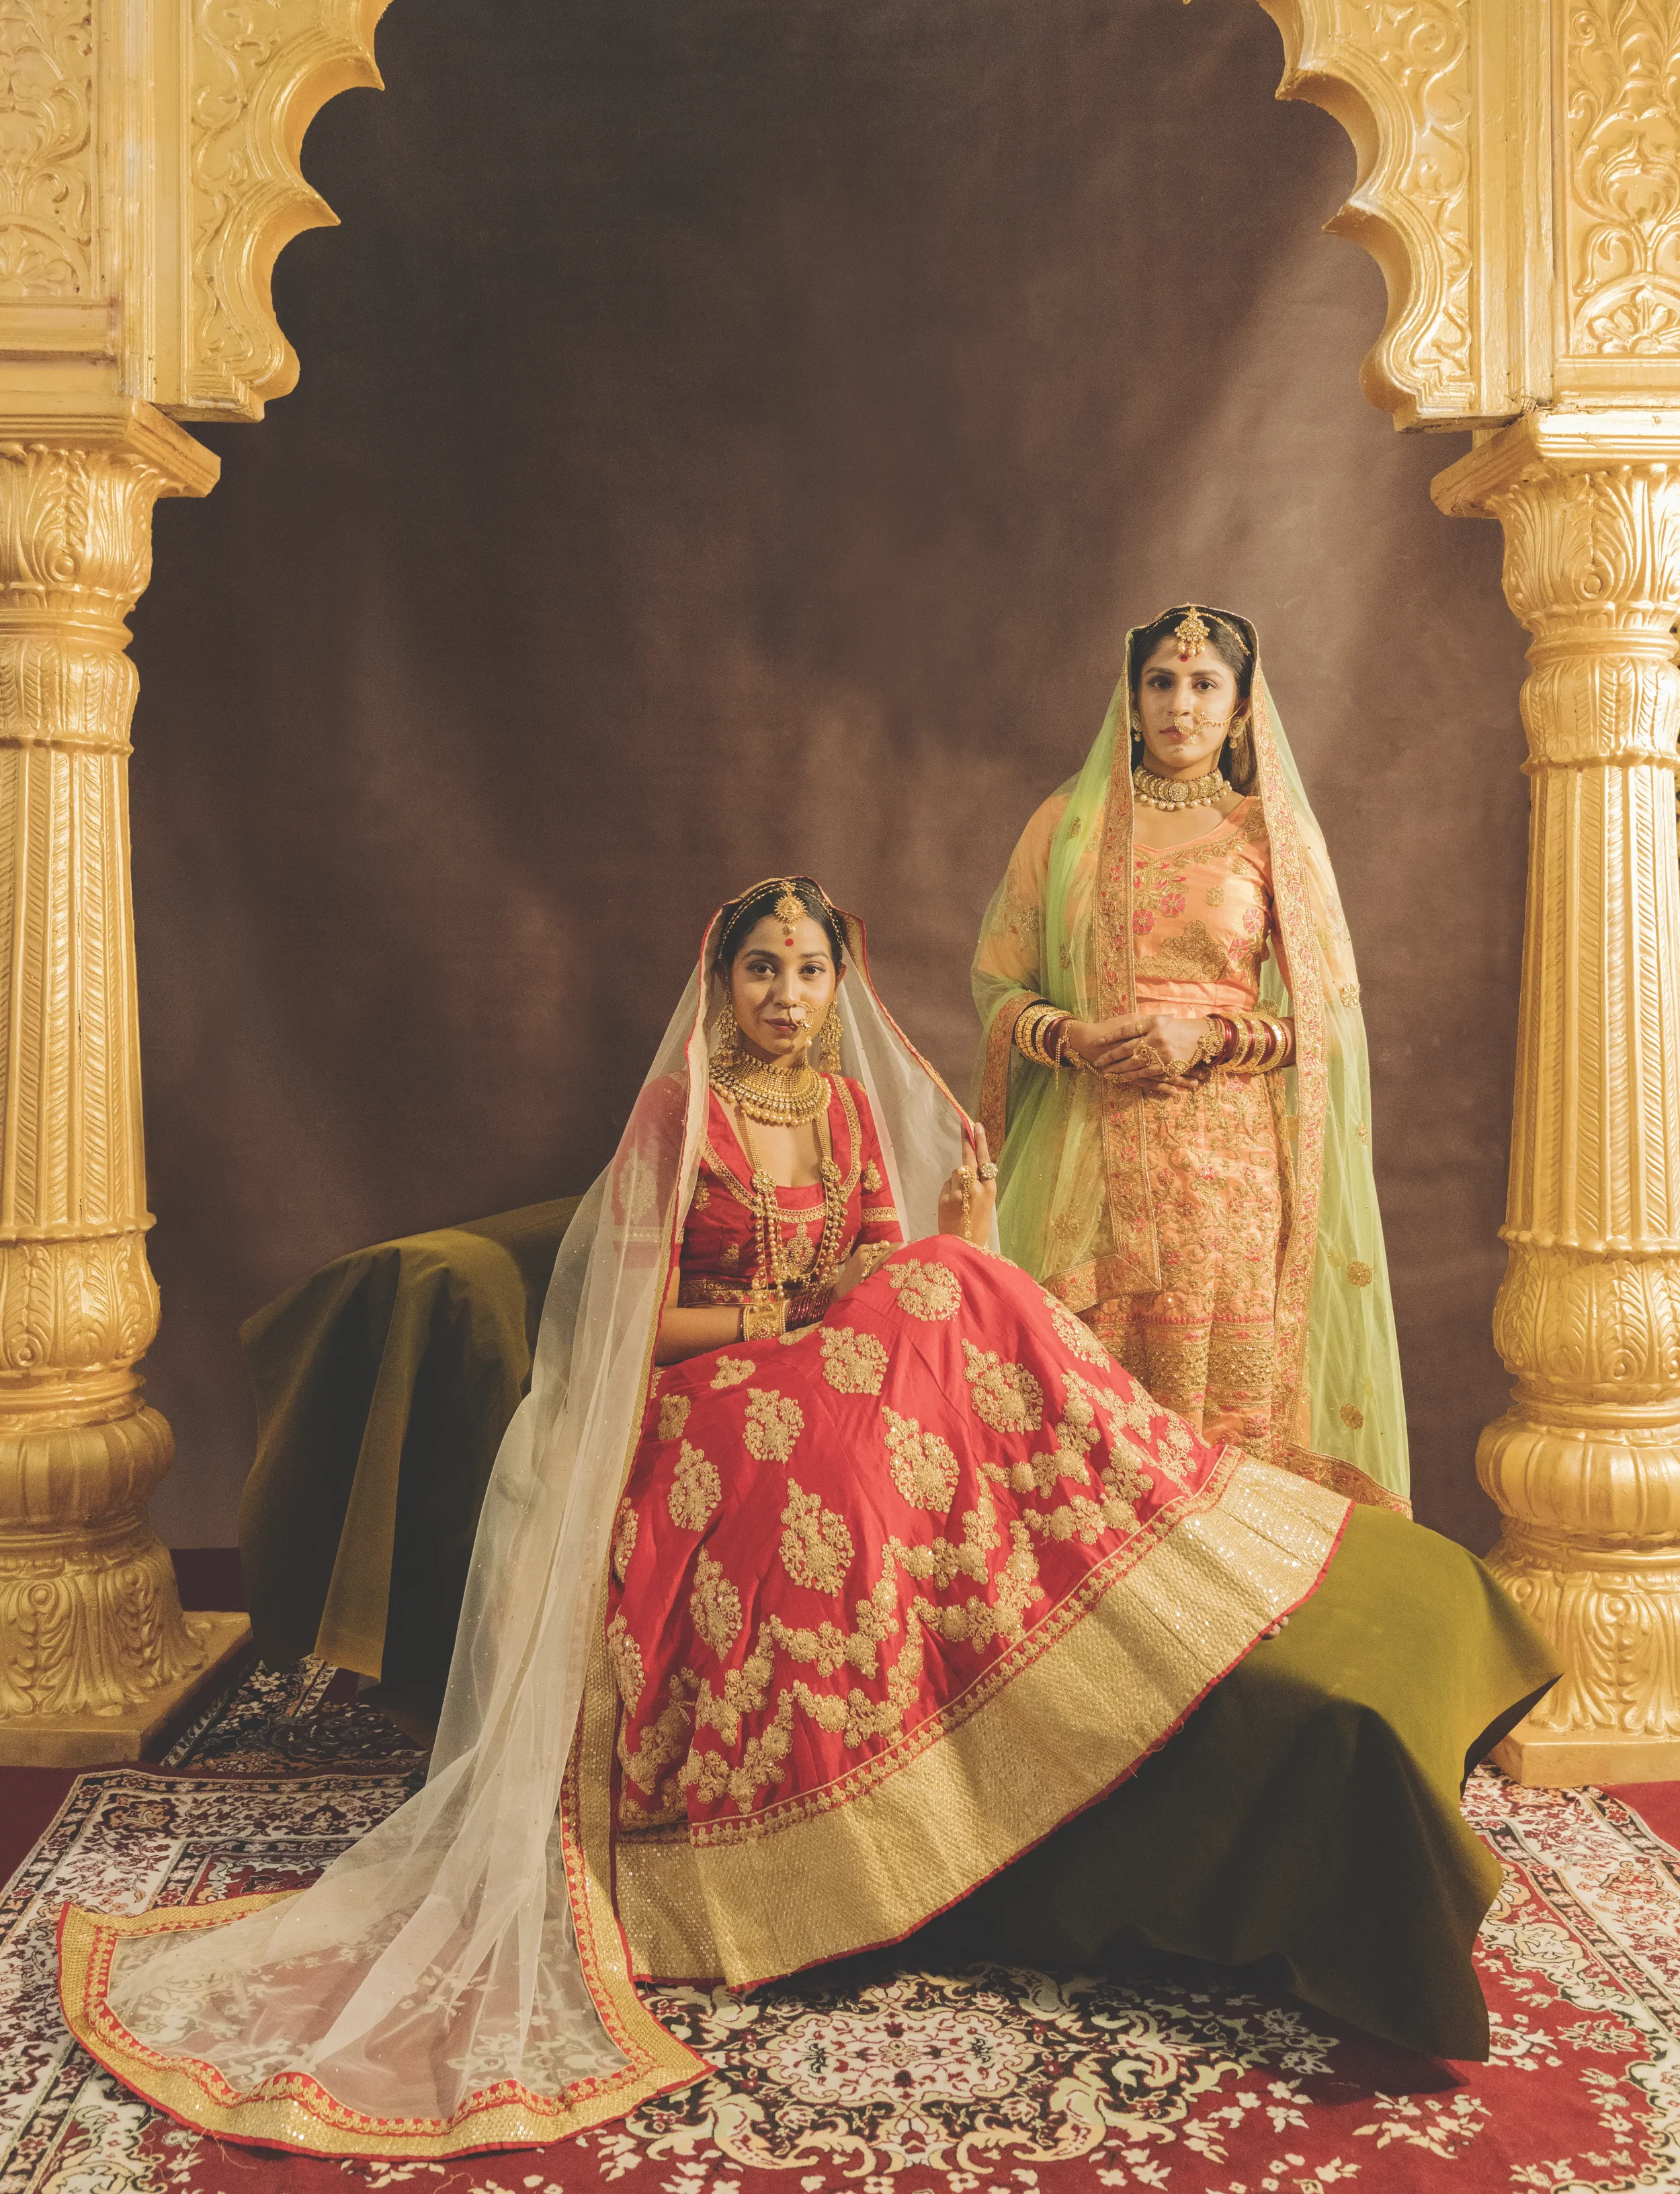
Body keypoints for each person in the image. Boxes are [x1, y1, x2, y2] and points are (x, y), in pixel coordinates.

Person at [59, 878, 1550, 2160]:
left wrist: (948, 1239)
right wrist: (774, 1318)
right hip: (701, 1405)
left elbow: (882, 1266)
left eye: (811, 970)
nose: (787, 994)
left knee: (962, 1282)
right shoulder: (681, 1114)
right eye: (763, 969)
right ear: (722, 985)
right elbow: (627, 1324)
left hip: (832, 1359)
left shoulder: (840, 1104)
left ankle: (1136, 1519)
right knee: (878, 1389)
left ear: (840, 985)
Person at [973, 604, 1407, 1510]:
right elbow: (1000, 985)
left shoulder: (1270, 836)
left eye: (1206, 684)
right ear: (1131, 702)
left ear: (1242, 706)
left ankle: (1226, 1594)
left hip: (1228, 1181)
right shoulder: (1067, 826)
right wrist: (1073, 1037)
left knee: (1220, 1417)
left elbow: (1327, 1023)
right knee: (1082, 1412)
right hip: (1087, 1156)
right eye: (1161, 682)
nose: (1182, 704)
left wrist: (1207, 1035)